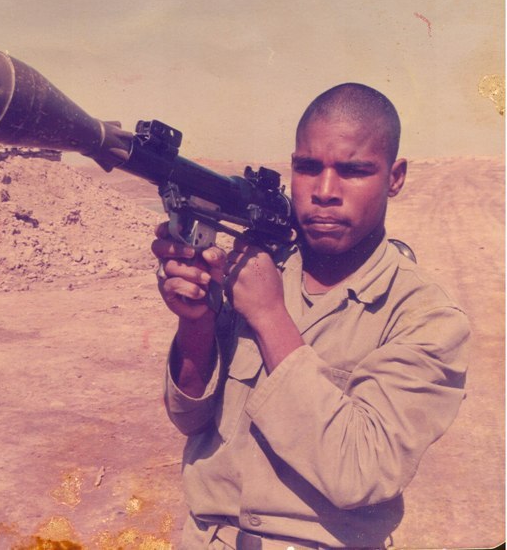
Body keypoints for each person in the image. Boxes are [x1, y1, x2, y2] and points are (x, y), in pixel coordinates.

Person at [151, 83, 469, 549]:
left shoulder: (426, 317)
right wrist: (195, 322)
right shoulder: (255, 271)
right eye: (308, 168)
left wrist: (268, 315)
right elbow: (188, 419)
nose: (324, 192)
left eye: (354, 171)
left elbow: (360, 472)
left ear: (394, 177)